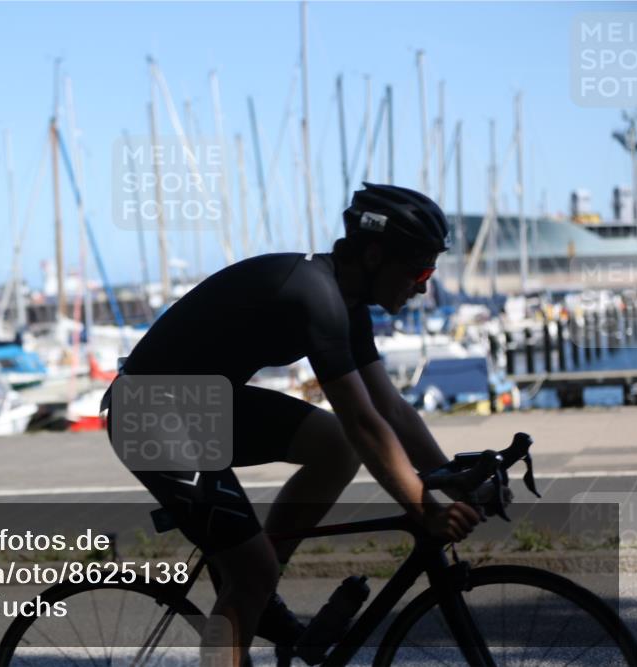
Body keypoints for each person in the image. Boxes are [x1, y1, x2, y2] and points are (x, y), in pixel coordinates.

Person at [103, 183, 486, 667]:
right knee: (252, 568)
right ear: (373, 255)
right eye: (420, 270)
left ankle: (260, 588)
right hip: (147, 413)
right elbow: (365, 420)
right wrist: (422, 505)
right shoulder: (313, 295)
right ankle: (255, 582)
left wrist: (452, 478)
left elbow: (392, 409)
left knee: (336, 447)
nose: (424, 285)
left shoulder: (345, 305)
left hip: (198, 406)